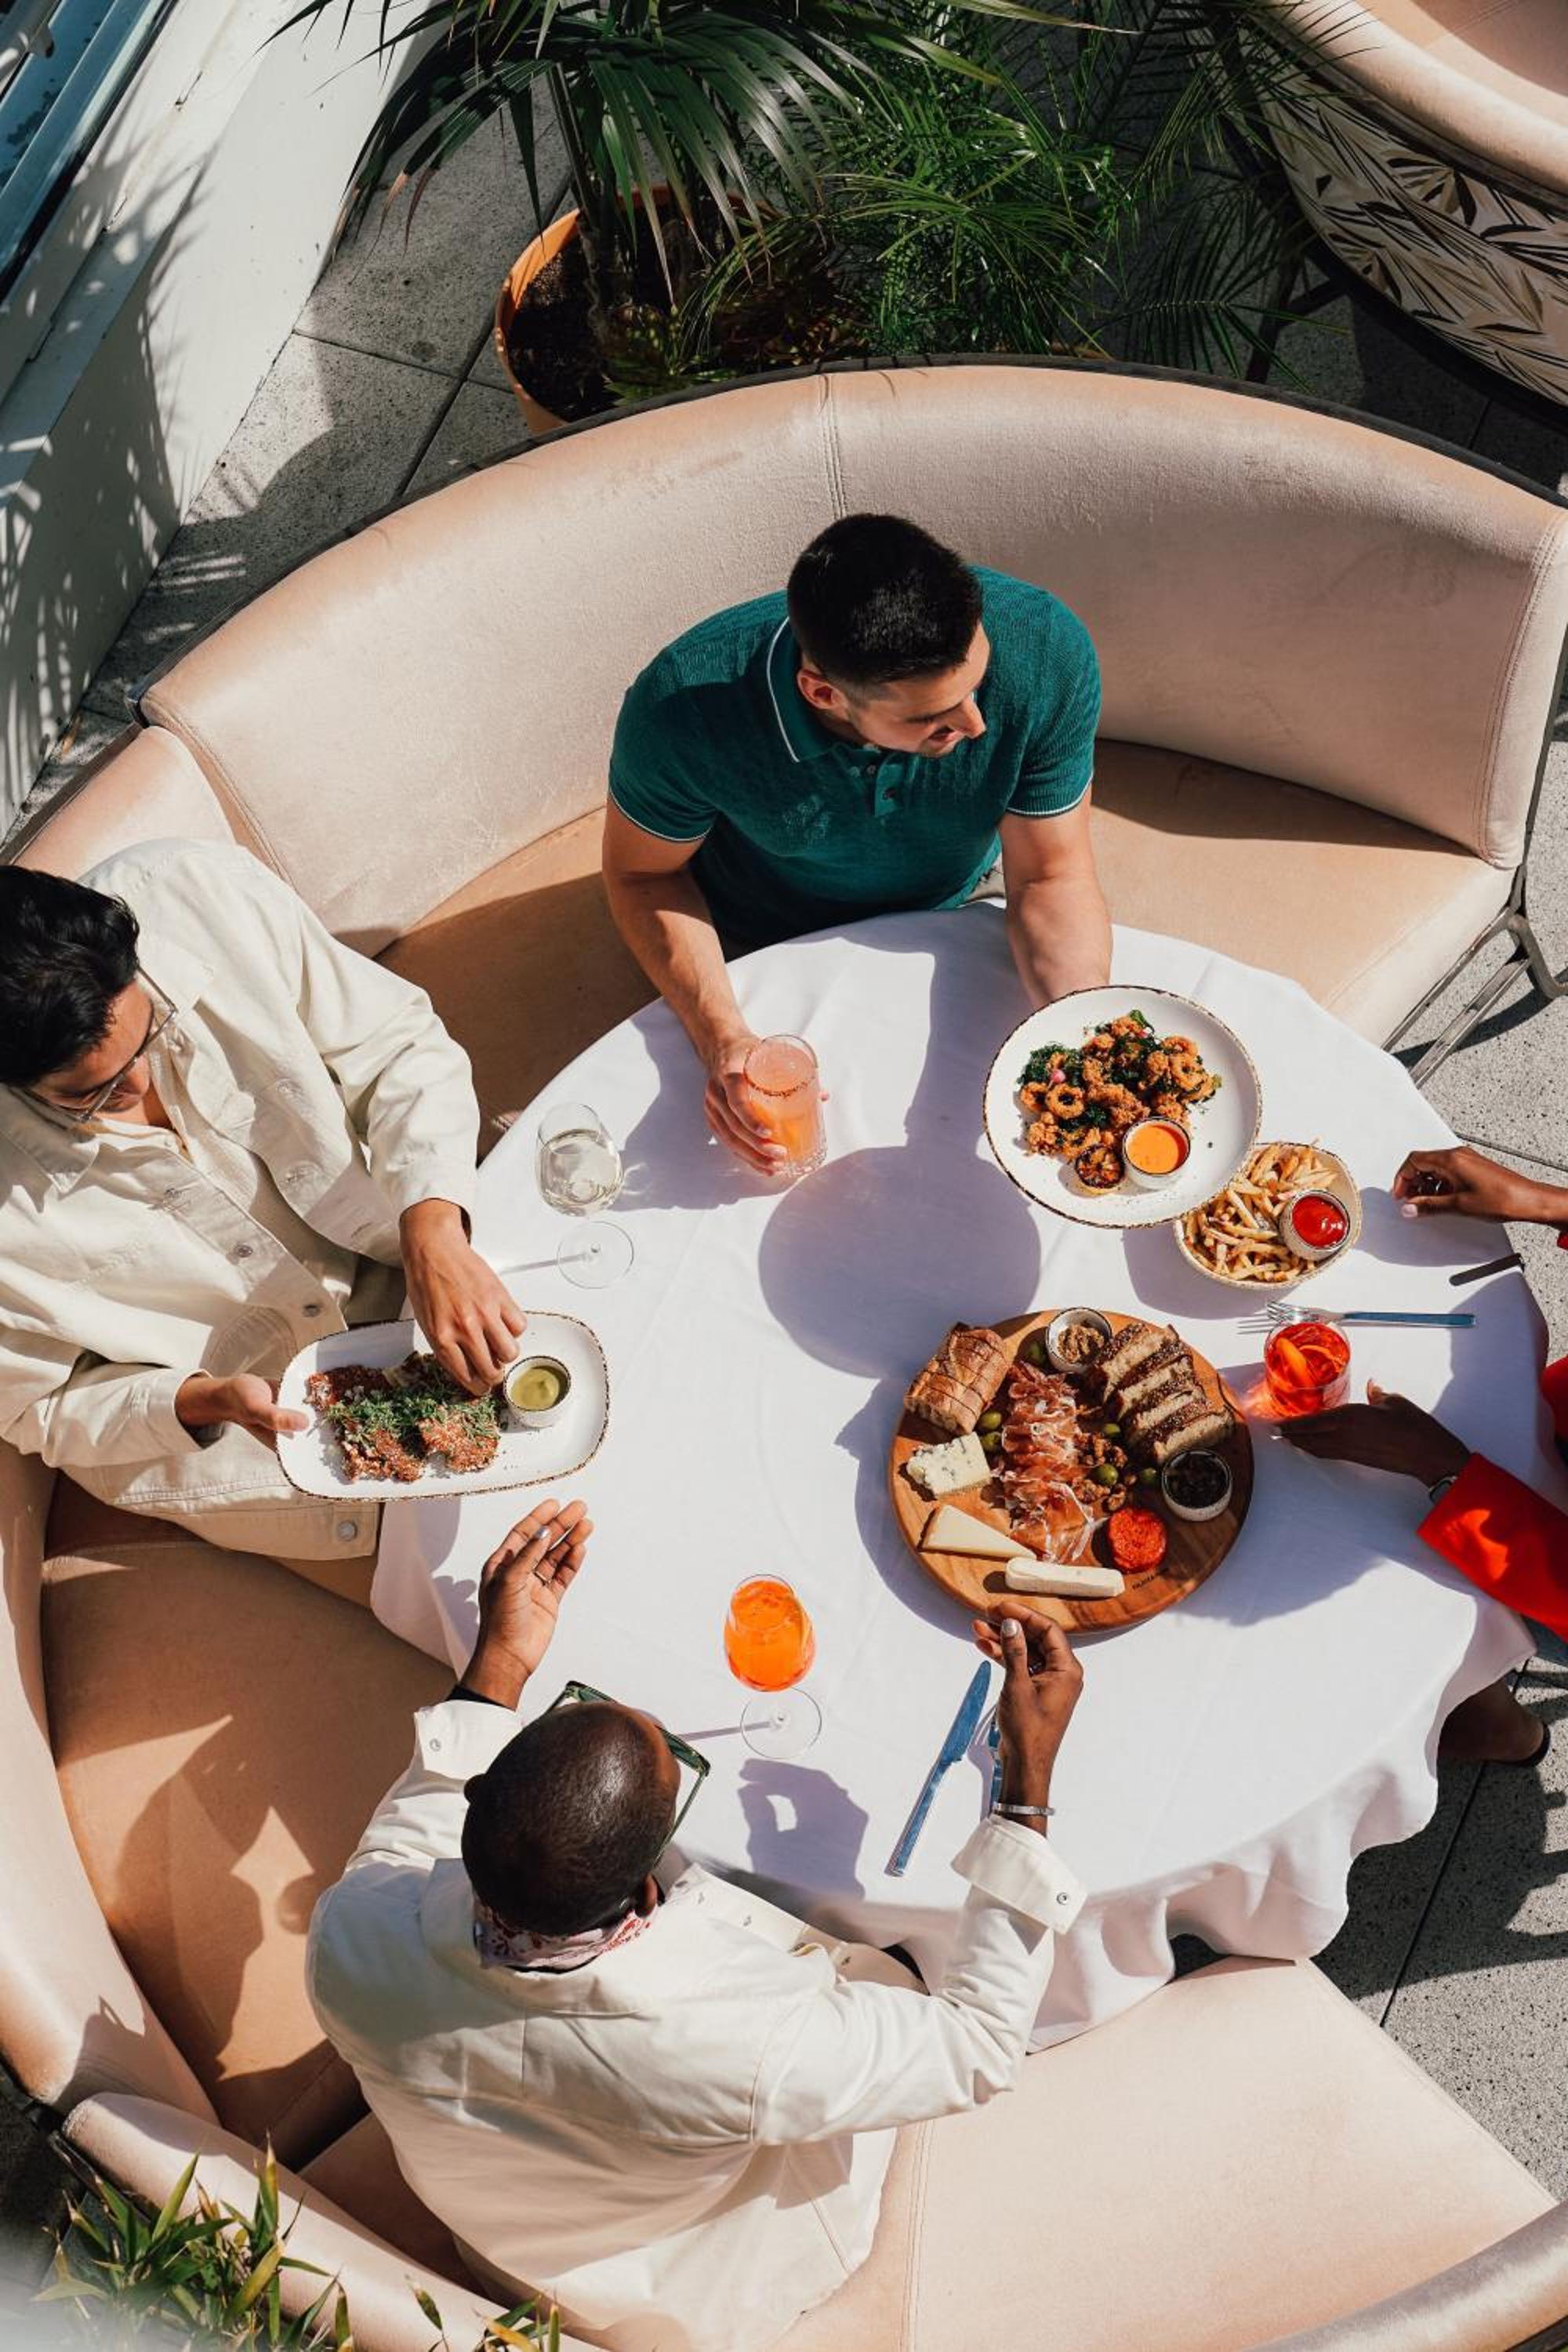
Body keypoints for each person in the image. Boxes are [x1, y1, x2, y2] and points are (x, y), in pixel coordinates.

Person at [307, 1497, 1087, 2352]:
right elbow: (976, 2047)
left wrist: (500, 1658)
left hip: (500, 2246)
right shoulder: (742, 2041)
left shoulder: (348, 1936)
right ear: (654, 1883)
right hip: (698, 2286)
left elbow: (415, 1820)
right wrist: (1025, 1785)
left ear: (479, 1796)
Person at [0, 844, 524, 1576]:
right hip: (254, 1433)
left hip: (412, 1242)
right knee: (490, 1575)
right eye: (93, 1094)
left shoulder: (199, 893)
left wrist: (432, 1228)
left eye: (150, 1033)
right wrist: (197, 1401)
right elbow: (39, 1409)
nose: (141, 1081)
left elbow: (396, 1046)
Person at [603, 512, 1109, 1171]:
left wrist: (1082, 1037)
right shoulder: (681, 710)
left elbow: (1049, 875)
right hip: (758, 946)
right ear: (823, 693)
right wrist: (722, 1037)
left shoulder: (1046, 648)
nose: (975, 724)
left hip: (961, 904)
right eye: (931, 718)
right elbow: (641, 877)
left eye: (977, 684)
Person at [1281, 1144, 1568, 1766]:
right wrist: (1548, 1205)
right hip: (1557, 1411)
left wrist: (1444, 1469)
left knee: (1400, 1609)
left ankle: (1502, 1730)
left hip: (1540, 1557)